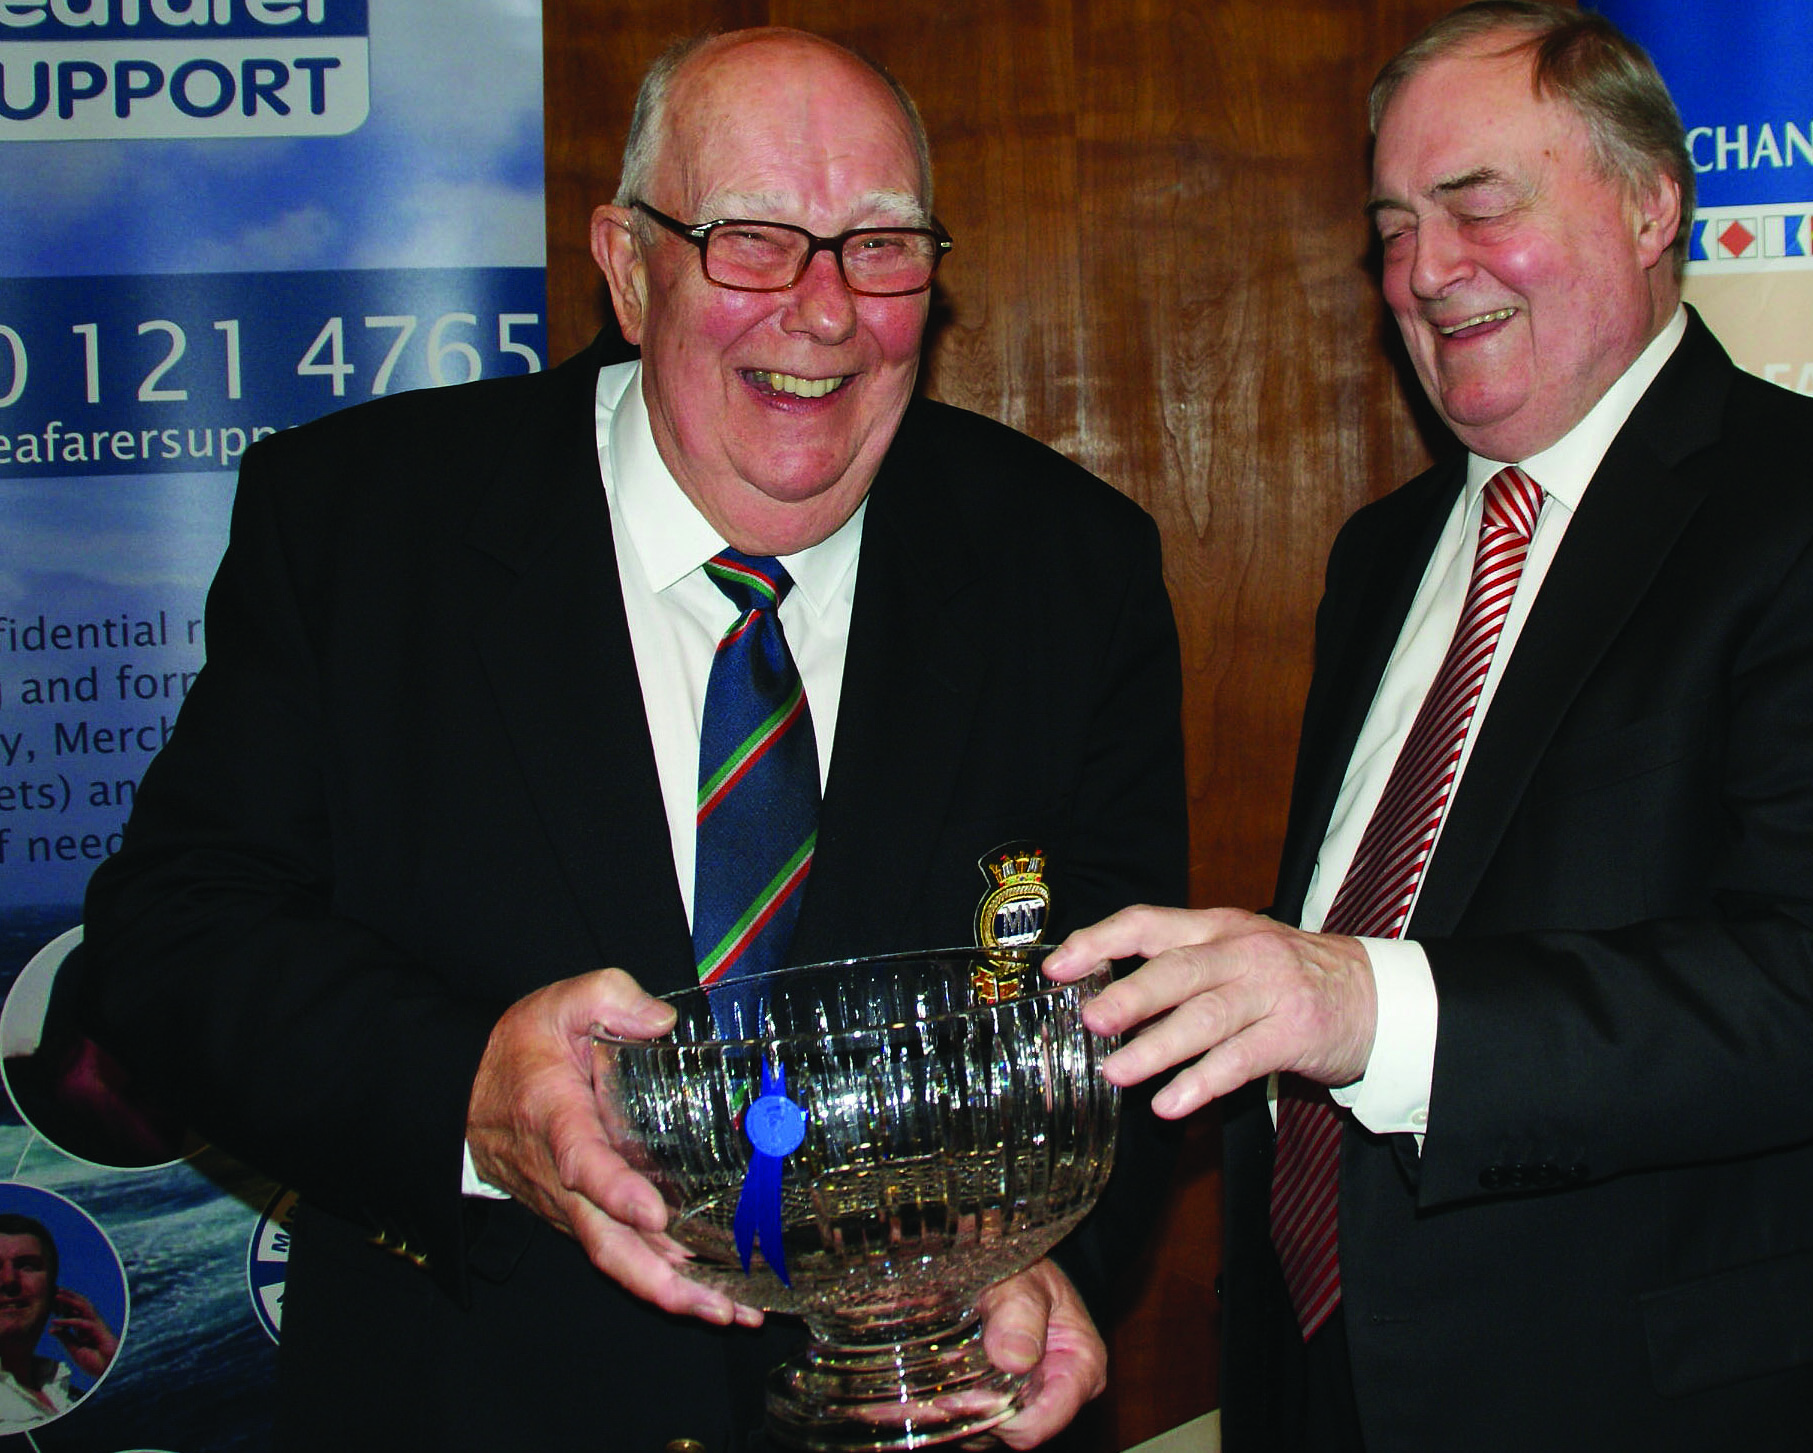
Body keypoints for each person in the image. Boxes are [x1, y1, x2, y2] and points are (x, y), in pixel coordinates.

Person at [70, 27, 1185, 1453]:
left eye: (881, 245)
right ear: (628, 259)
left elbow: (1128, 1013)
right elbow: (170, 941)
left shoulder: (1067, 566)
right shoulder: (361, 525)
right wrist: (467, 1089)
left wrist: (1038, 1262)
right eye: (751, 241)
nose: (824, 311)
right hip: (476, 1404)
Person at [1045, 4, 1813, 1448]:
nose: (1424, 273)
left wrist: (1363, 1005)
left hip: (1668, 1400)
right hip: (1330, 1375)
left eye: (1476, 206)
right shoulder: (1382, 554)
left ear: (1649, 205)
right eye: (1389, 227)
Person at [0, 1213, 118, 1431]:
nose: (9, 1280)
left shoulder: (66, 1394)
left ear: (54, 1293)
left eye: (27, 1266)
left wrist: (112, 1367)